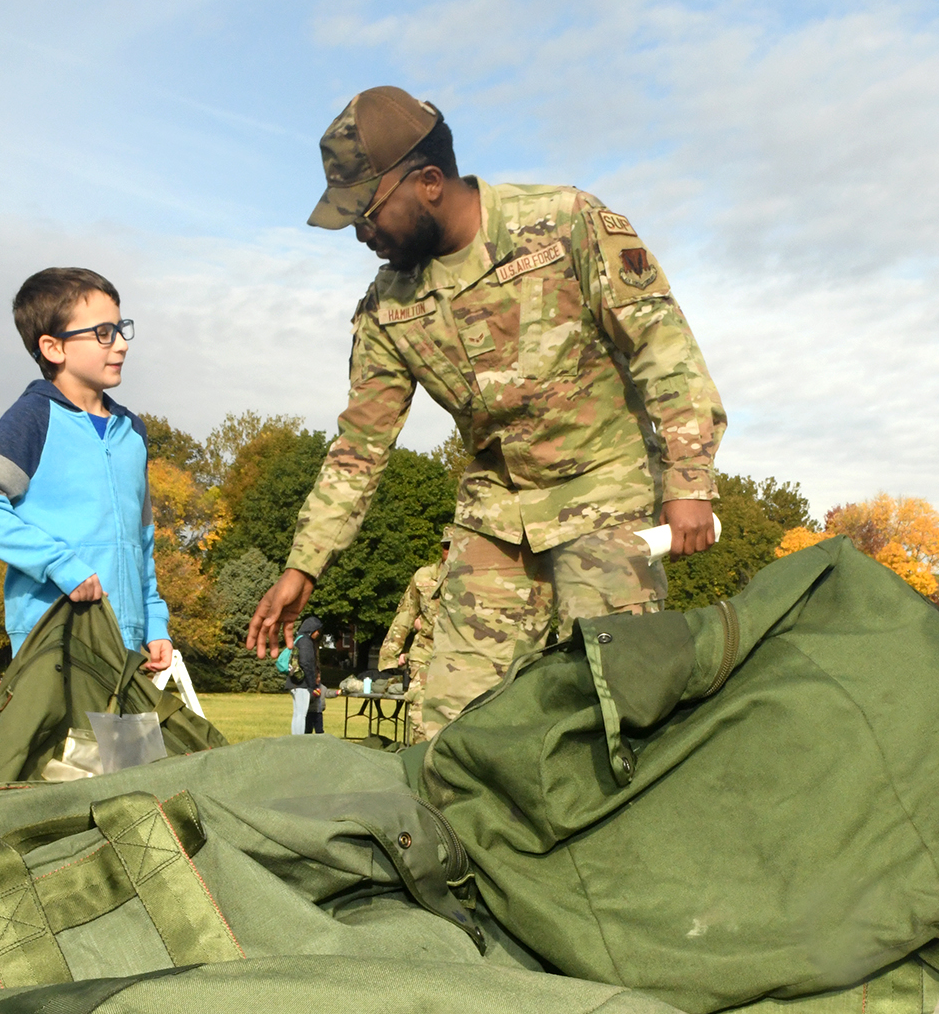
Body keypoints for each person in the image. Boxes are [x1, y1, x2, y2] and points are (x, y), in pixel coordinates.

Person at [247, 86, 725, 736]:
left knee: (622, 703)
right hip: (495, 516)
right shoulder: (387, 308)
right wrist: (305, 565)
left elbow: (662, 350)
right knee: (447, 725)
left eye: (369, 213)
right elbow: (359, 450)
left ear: (430, 183)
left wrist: (689, 482)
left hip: (603, 493)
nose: (361, 234)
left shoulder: (566, 223)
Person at [0, 266, 171, 671]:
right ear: (53, 348)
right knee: (62, 738)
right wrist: (59, 565)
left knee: (122, 737)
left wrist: (154, 621)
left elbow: (143, 539)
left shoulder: (132, 433)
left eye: (121, 328)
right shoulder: (33, 418)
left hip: (127, 636)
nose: (121, 344)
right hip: (52, 631)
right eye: (103, 333)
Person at [378, 527, 451, 741]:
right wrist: (390, 654)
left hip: (460, 653)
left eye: (455, 546)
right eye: (446, 546)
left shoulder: (475, 580)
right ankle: (418, 758)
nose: (450, 551)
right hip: (425, 651)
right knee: (419, 712)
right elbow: (406, 615)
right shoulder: (423, 577)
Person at [289, 615, 324, 735]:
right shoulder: (306, 642)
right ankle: (299, 740)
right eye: (317, 630)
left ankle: (295, 738)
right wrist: (312, 684)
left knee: (297, 713)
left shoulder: (298, 639)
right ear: (311, 629)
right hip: (302, 683)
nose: (318, 633)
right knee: (301, 714)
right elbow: (306, 664)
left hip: (294, 682)